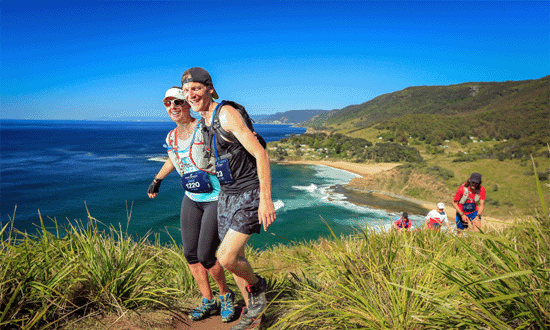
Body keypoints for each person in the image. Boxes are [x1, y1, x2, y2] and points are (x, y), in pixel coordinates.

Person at [181, 67, 276, 330]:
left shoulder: (226, 113)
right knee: (236, 262)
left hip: (248, 192)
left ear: (209, 88)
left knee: (225, 257)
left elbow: (260, 154)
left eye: (196, 88)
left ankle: (258, 285)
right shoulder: (205, 120)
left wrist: (266, 199)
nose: (191, 94)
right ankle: (254, 317)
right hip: (226, 194)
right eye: (187, 90)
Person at [147, 87, 235, 323]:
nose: (172, 107)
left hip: (215, 198)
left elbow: (230, 142)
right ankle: (208, 300)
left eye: (177, 102)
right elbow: (173, 159)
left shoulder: (205, 127)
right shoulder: (171, 137)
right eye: (167, 104)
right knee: (190, 254)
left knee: (206, 256)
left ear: (187, 103)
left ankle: (226, 295)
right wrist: (157, 180)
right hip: (191, 198)